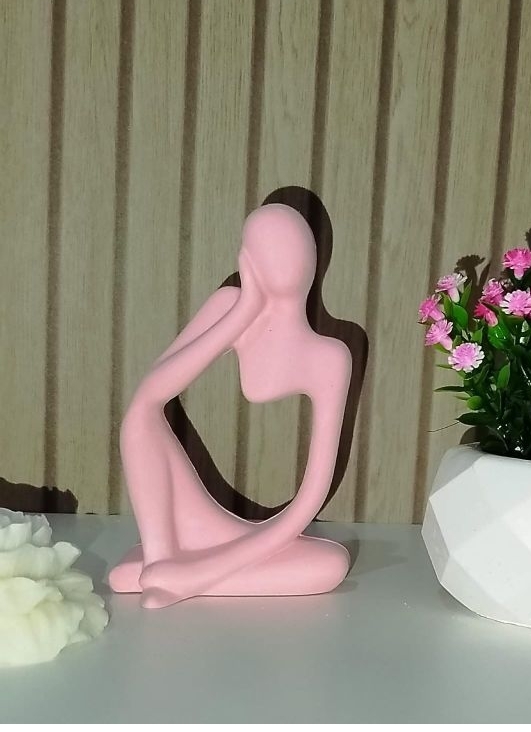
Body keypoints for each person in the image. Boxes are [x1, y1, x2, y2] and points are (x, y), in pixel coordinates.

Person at [109, 204, 351, 608]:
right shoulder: (228, 305)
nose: (284, 260)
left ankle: (174, 575)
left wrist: (215, 564)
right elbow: (150, 394)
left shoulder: (330, 356)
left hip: (267, 539)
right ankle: (161, 558)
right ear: (247, 258)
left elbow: (309, 500)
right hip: (186, 527)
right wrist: (242, 313)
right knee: (138, 419)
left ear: (313, 260)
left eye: (293, 247)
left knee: (329, 565)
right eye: (268, 248)